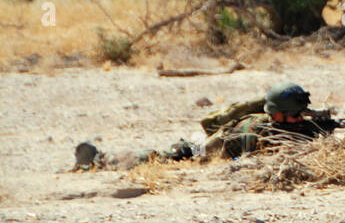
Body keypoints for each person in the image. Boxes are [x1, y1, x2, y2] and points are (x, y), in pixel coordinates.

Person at [74, 82, 330, 168]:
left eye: (302, 115)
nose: (300, 120)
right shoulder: (258, 128)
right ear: (277, 115)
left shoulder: (287, 124)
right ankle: (100, 159)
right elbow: (271, 153)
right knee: (167, 157)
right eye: (295, 116)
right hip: (203, 149)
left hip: (211, 144)